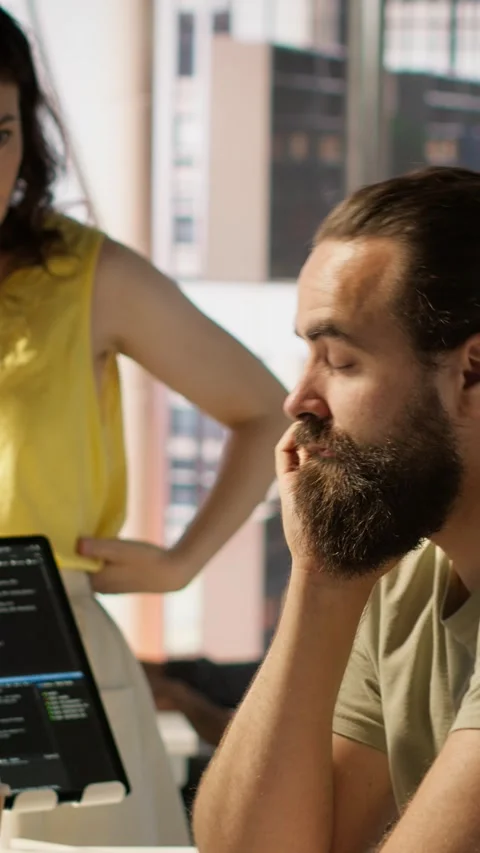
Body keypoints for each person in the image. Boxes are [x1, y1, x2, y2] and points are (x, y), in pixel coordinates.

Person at [0, 7, 287, 847]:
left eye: (3, 130)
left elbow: (266, 407)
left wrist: (180, 563)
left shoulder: (84, 275)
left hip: (42, 661)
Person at [193, 166, 480, 853]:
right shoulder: (401, 579)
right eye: (307, 354)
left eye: (340, 360)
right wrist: (319, 580)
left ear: (471, 372)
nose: (299, 400)